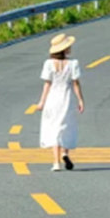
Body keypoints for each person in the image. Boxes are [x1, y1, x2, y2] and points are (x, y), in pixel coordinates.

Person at [36, 33, 84, 171]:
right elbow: (76, 84)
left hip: (53, 98)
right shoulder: (73, 64)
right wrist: (80, 100)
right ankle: (65, 153)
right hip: (67, 98)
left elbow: (47, 84)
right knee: (66, 126)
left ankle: (56, 162)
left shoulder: (49, 64)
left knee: (53, 128)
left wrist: (41, 102)